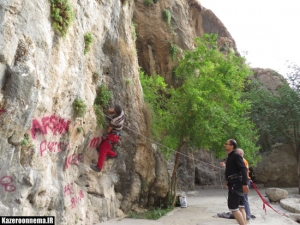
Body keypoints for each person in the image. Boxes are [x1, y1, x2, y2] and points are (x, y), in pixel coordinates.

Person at [90, 104, 125, 172]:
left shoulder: (114, 121)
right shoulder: (122, 113)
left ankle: (99, 168)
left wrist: (105, 134)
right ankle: (114, 154)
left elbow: (109, 130)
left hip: (113, 137)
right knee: (102, 148)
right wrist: (111, 111)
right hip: (116, 135)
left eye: (114, 110)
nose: (113, 110)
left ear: (116, 112)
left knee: (103, 150)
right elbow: (114, 112)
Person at [224, 139, 249, 225]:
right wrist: (228, 180)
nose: (225, 145)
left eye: (226, 144)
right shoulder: (231, 156)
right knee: (241, 207)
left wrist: (245, 183)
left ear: (232, 146)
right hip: (234, 182)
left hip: (236, 184)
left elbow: (243, 169)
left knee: (233, 208)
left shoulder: (235, 155)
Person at [236, 148, 255, 221]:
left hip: (245, 181)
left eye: (236, 153)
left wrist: (245, 183)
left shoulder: (243, 161)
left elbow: (245, 172)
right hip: (244, 181)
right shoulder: (241, 161)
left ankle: (247, 215)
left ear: (240, 154)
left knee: (244, 199)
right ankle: (245, 214)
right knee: (242, 199)